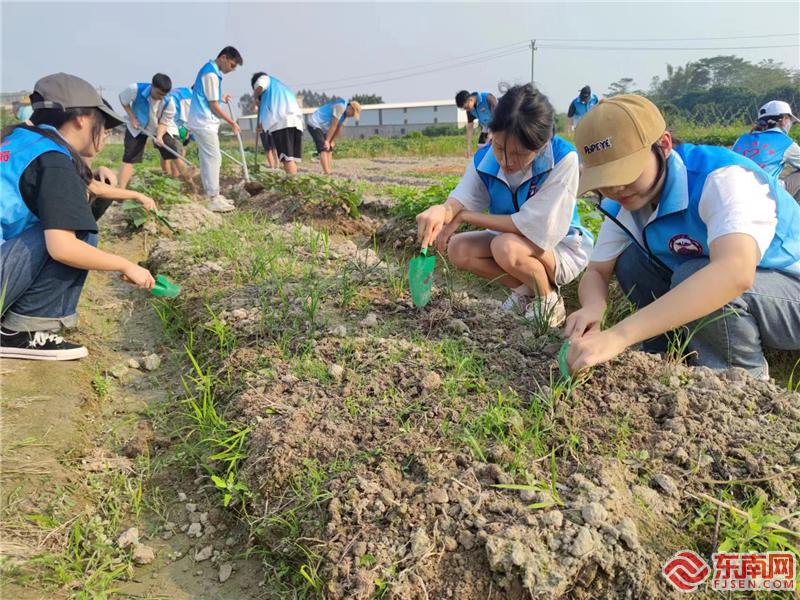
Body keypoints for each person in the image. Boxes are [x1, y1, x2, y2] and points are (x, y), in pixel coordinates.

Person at [564, 94, 800, 379]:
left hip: (789, 289)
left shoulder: (721, 179)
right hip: (750, 290)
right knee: (631, 262)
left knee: (698, 275)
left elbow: (734, 272)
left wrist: (620, 335)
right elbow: (597, 271)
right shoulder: (627, 200)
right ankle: (664, 358)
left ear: (663, 145)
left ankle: (740, 380)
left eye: (625, 172)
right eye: (605, 179)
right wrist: (594, 307)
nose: (615, 188)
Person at [0, 73, 156, 361]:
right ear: (82, 118)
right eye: (103, 124)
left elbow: (90, 188)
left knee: (69, 219)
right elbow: (62, 248)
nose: (105, 133)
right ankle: (22, 332)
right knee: (77, 232)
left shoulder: (18, 140)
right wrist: (125, 265)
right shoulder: (53, 160)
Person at [417, 84, 594, 326]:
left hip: (559, 246)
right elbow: (463, 197)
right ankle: (525, 291)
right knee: (459, 248)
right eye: (499, 147)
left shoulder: (562, 159)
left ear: (541, 145)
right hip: (513, 241)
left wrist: (466, 216)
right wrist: (443, 210)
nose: (506, 161)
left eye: (519, 154)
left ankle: (549, 299)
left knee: (505, 247)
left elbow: (537, 228)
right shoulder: (486, 158)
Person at [188, 46, 244, 212]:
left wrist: (221, 97)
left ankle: (213, 195)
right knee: (213, 158)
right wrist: (232, 122)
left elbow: (205, 94)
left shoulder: (210, 71)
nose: (232, 70)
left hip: (202, 122)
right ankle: (213, 198)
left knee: (209, 159)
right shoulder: (211, 74)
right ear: (223, 58)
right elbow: (213, 106)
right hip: (204, 122)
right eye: (232, 65)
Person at [117, 74, 188, 188]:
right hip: (137, 127)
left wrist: (159, 136)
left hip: (157, 127)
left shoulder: (169, 102)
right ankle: (121, 189)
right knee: (129, 157)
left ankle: (188, 182)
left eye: (163, 95)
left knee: (172, 149)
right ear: (152, 86)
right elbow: (123, 101)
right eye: (158, 93)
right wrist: (132, 117)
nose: (161, 97)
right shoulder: (135, 89)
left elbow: (164, 122)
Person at [733, 100, 800, 202]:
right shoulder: (785, 142)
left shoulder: (741, 139)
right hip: (765, 195)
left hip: (736, 191)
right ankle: (792, 209)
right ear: (783, 120)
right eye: (791, 120)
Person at [251, 71, 304, 176]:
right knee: (291, 158)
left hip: (282, 124)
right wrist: (261, 126)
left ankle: (292, 183)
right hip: (296, 122)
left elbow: (259, 86)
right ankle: (293, 180)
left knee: (286, 158)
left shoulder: (264, 78)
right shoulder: (279, 87)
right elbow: (271, 113)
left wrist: (255, 98)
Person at [306, 98, 361, 174]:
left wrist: (331, 141)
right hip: (315, 122)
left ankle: (329, 170)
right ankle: (327, 172)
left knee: (330, 147)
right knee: (323, 146)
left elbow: (338, 129)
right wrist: (327, 141)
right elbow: (333, 126)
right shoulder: (341, 107)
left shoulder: (346, 116)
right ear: (351, 108)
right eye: (353, 114)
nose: (352, 116)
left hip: (324, 127)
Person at [163, 85, 194, 177]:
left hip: (162, 122)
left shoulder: (181, 91)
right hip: (172, 124)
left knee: (166, 152)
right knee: (177, 152)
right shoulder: (189, 97)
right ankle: (175, 178)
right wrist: (187, 132)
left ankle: (167, 177)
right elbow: (187, 119)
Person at [455, 90, 497, 157]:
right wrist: (468, 146)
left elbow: (497, 117)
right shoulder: (470, 110)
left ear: (470, 99)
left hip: (500, 126)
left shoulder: (488, 98)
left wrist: (491, 134)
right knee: (481, 149)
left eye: (467, 107)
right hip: (486, 128)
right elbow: (470, 127)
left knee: (496, 148)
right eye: (464, 109)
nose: (467, 110)